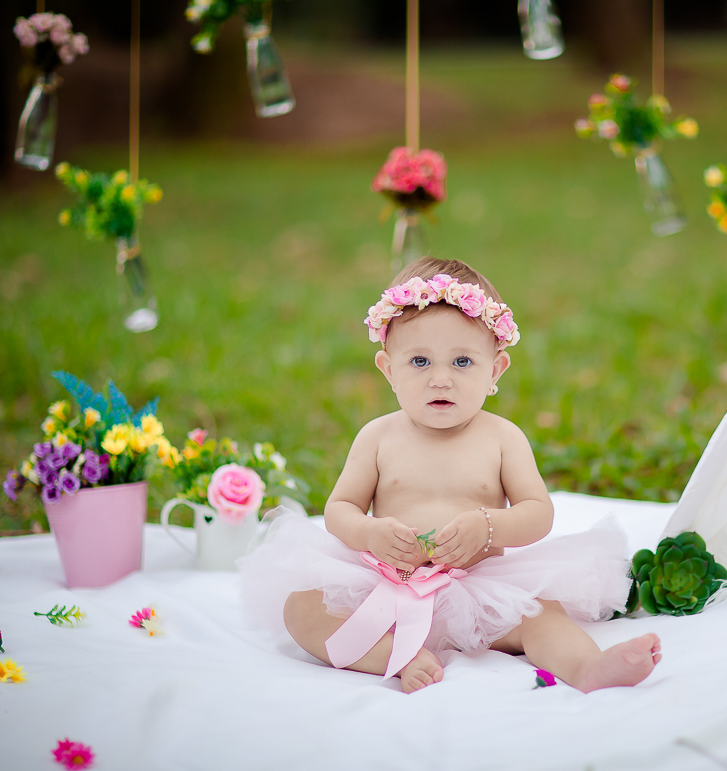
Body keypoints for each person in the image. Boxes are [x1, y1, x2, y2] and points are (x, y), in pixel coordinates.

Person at [240, 257, 661, 693]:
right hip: (382, 583)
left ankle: (588, 668)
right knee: (303, 607)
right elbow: (339, 509)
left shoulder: (502, 438)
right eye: (420, 361)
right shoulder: (378, 436)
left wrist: (489, 527)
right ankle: (389, 654)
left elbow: (539, 513)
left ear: (495, 369)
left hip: (476, 592)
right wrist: (369, 534)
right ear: (388, 369)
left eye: (462, 362)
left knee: (542, 614)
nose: (441, 380)